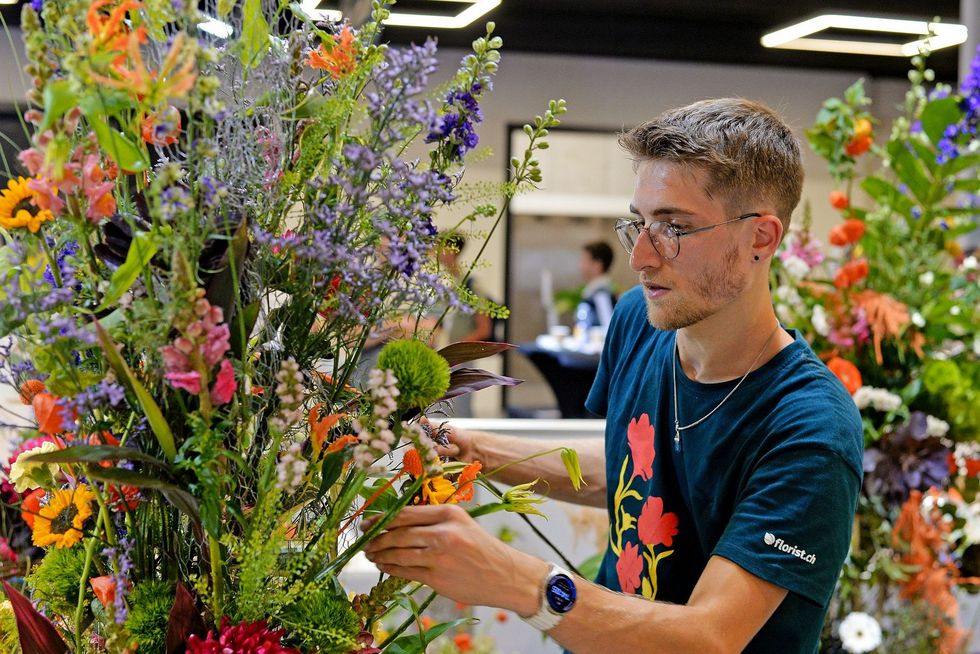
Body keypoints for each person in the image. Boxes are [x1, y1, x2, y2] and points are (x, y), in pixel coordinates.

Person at [364, 98, 864, 653]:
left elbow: (711, 637)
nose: (642, 256)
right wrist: (473, 448)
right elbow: (629, 464)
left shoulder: (810, 429)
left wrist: (518, 581)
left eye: (673, 228)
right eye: (640, 224)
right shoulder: (639, 321)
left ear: (761, 239)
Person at [575, 240, 617, 334]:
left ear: (597, 265)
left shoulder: (601, 293)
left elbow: (608, 327)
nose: (580, 266)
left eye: (584, 260)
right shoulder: (594, 290)